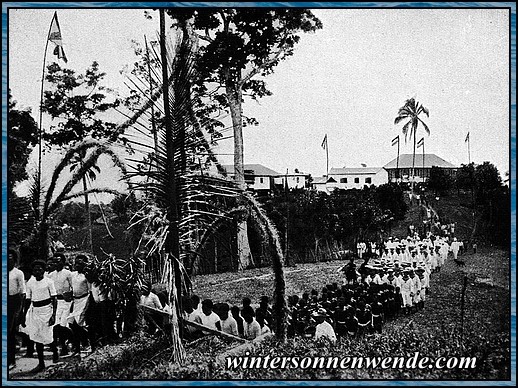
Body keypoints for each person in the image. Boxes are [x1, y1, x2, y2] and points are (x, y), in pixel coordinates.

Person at [22, 260, 58, 373]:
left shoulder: (49, 282)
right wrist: (23, 315)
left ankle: (55, 350)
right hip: (35, 312)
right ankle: (41, 363)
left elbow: (54, 298)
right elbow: (28, 300)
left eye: (39, 269)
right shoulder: (30, 283)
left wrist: (53, 315)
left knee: (47, 336)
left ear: (43, 269)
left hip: (47, 310)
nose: (37, 271)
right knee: (37, 337)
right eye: (35, 270)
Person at [47, 253, 73, 358]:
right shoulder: (51, 275)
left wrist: (70, 296)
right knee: (56, 326)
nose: (56, 263)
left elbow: (73, 287)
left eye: (58, 261)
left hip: (66, 302)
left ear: (63, 262)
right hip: (55, 302)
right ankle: (62, 347)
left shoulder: (68, 273)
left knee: (63, 325)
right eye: (54, 261)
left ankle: (72, 341)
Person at [67, 255, 92, 355]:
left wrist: (88, 303)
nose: (77, 265)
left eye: (80, 264)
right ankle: (77, 347)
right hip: (75, 301)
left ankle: (86, 344)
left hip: (84, 300)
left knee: (79, 324)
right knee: (72, 323)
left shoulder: (86, 276)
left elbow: (90, 290)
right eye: (76, 263)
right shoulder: (73, 275)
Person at [8, 249, 26, 370]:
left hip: (14, 303)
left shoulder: (18, 273)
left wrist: (20, 310)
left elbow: (23, 293)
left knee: (10, 332)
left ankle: (12, 360)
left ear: (14, 260)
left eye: (10, 258)